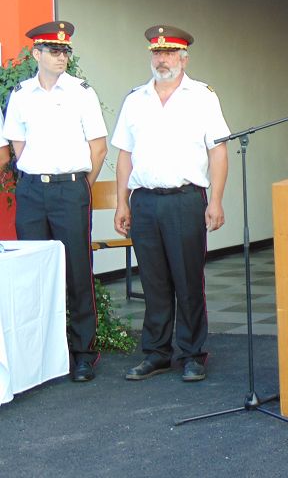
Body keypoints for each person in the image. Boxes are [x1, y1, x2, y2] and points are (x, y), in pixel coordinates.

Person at [112, 25, 229, 382]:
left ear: (183, 58)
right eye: (156, 53)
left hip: (185, 200)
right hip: (145, 201)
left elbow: (218, 151)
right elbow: (124, 155)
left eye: (169, 53)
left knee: (188, 280)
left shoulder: (203, 97)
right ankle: (157, 352)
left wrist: (217, 201)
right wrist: (122, 203)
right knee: (154, 281)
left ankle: (193, 353)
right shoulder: (135, 99)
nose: (162, 60)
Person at [2, 21, 108, 382]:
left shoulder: (81, 92)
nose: (62, 56)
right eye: (54, 50)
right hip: (32, 191)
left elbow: (98, 147)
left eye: (65, 50)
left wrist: (79, 185)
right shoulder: (20, 94)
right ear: (36, 54)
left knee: (77, 270)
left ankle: (82, 354)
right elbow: (17, 147)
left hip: (69, 189)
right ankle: (38, 357)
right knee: (33, 272)